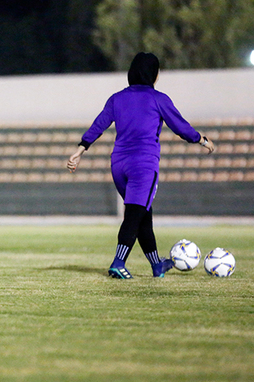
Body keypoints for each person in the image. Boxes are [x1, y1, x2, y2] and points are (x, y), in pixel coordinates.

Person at [66, 52, 215, 279]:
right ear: (154, 75)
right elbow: (180, 127)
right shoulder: (158, 99)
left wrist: (79, 150)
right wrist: (202, 140)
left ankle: (157, 265)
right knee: (134, 216)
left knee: (143, 215)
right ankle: (118, 262)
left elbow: (99, 125)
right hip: (143, 166)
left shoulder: (117, 98)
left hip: (118, 166)